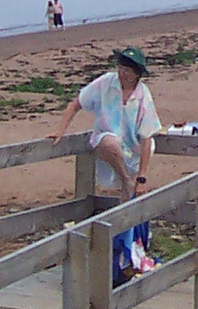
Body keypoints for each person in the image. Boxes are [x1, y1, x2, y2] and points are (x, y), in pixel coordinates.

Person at [46, 48, 160, 202]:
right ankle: (126, 180)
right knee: (109, 143)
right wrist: (60, 131)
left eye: (127, 70)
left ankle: (128, 193)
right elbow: (76, 104)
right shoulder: (105, 82)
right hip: (108, 141)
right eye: (120, 68)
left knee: (130, 198)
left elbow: (146, 136)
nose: (122, 73)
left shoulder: (143, 94)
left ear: (137, 74)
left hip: (134, 148)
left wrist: (142, 177)